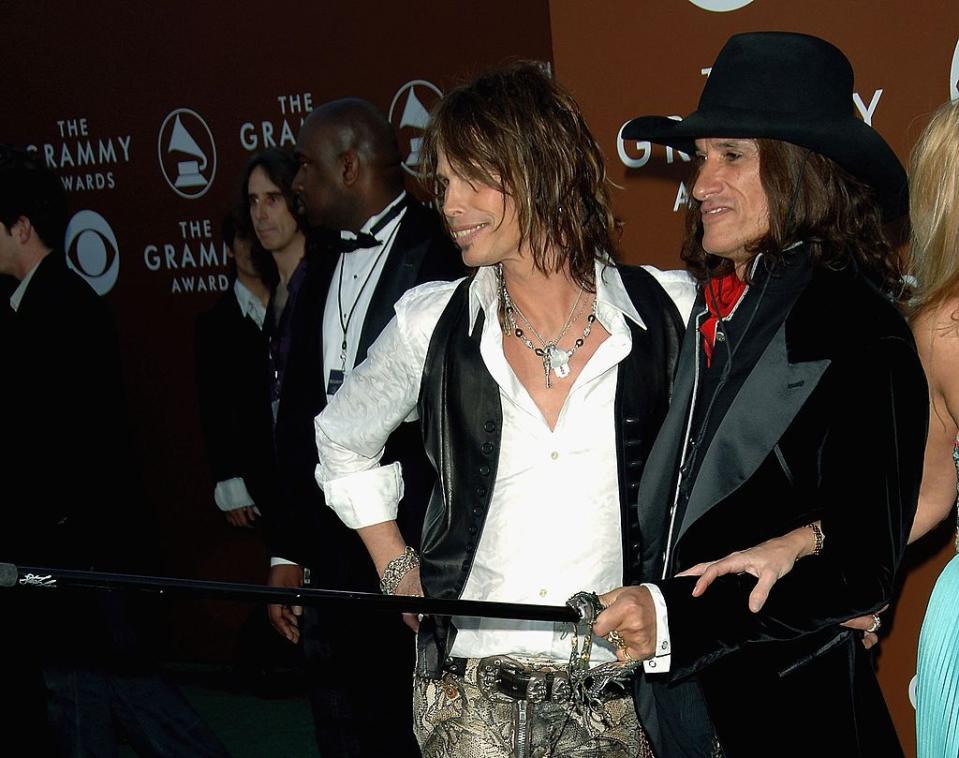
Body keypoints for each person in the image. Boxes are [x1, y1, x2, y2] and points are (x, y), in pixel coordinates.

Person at [313, 63, 695, 757]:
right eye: (443, 182)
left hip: (617, 701)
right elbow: (340, 440)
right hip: (468, 706)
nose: (448, 203)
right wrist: (396, 567)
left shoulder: (667, 312)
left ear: (539, 169)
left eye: (469, 179)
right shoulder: (431, 324)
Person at [594, 32, 928, 757]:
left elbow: (859, 568)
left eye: (731, 156)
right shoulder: (709, 310)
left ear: (800, 170)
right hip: (669, 709)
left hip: (784, 715)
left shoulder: (859, 331)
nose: (699, 183)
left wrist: (675, 618)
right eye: (700, 157)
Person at [0, 144, 229, 756]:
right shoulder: (33, 306)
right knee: (98, 690)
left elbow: (65, 444)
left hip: (77, 552)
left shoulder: (65, 308)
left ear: (20, 226)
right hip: (67, 552)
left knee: (96, 689)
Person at [254, 100, 461, 756]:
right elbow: (298, 419)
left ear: (349, 166)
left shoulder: (449, 251)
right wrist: (286, 552)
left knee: (420, 736)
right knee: (342, 733)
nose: (295, 185)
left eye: (306, 167)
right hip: (329, 561)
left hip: (417, 554)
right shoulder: (313, 267)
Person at [195, 211, 275, 529]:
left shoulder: (299, 302)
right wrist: (230, 478)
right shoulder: (214, 325)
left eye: (257, 237)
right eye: (243, 239)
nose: (251, 247)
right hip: (256, 482)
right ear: (229, 248)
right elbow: (213, 408)